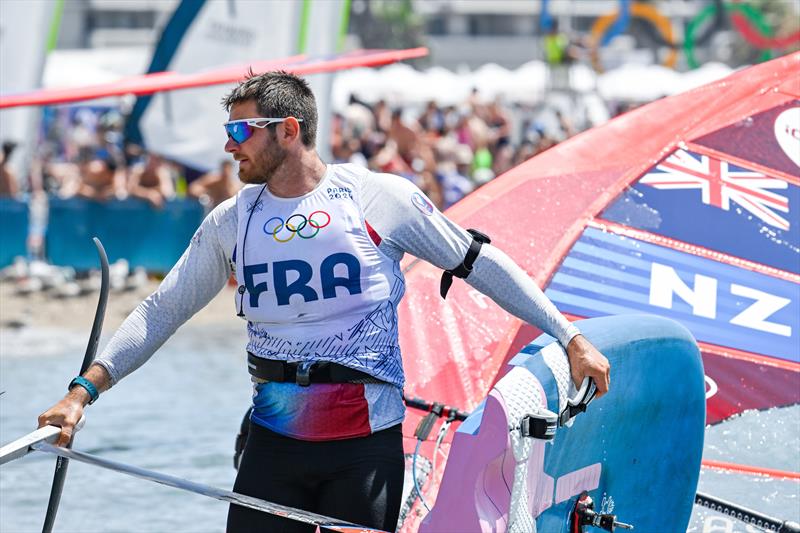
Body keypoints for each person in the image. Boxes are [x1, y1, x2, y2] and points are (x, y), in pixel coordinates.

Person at [38, 71, 610, 533]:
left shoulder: (378, 198)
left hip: (364, 449)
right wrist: (82, 391)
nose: (228, 146)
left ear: (288, 130)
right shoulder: (232, 222)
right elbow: (161, 311)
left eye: (241, 133)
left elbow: (478, 262)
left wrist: (569, 336)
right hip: (274, 441)